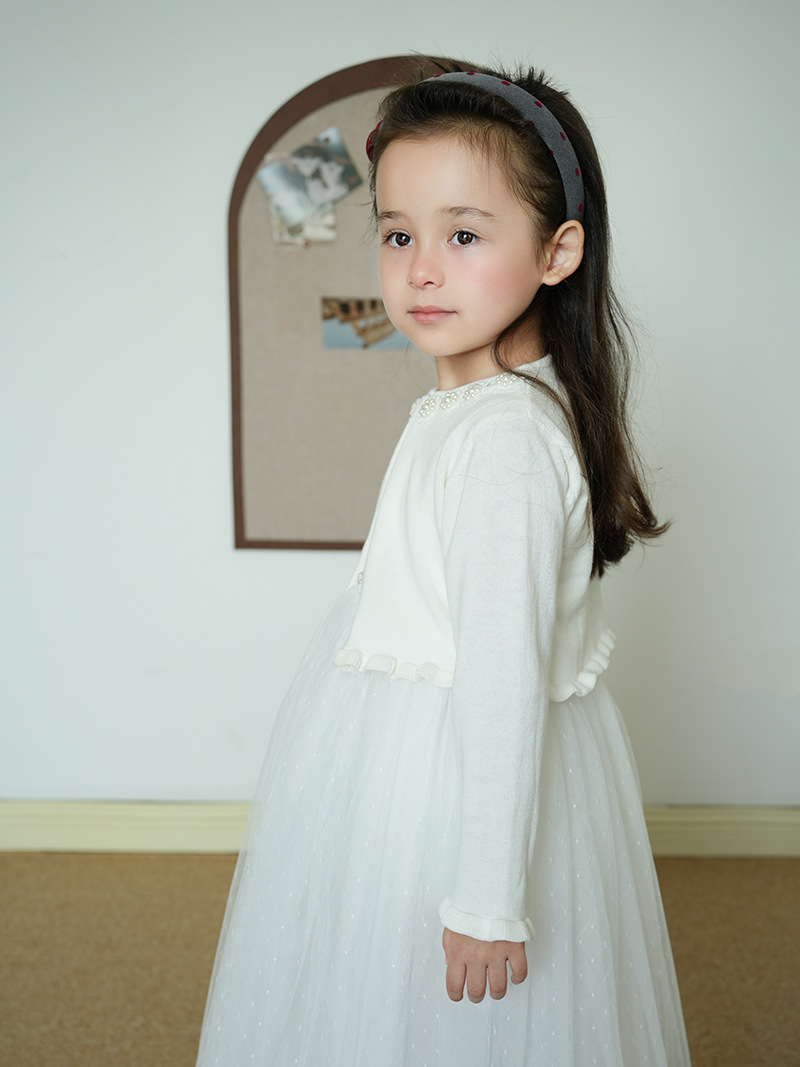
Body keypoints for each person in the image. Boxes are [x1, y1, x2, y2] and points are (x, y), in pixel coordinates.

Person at [196, 59, 691, 1066]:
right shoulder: (474, 407)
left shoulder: (505, 439)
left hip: (451, 773)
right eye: (397, 234)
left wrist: (486, 899)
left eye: (463, 235)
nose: (421, 268)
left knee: (441, 1013)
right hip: (419, 748)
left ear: (556, 252)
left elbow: (501, 678)